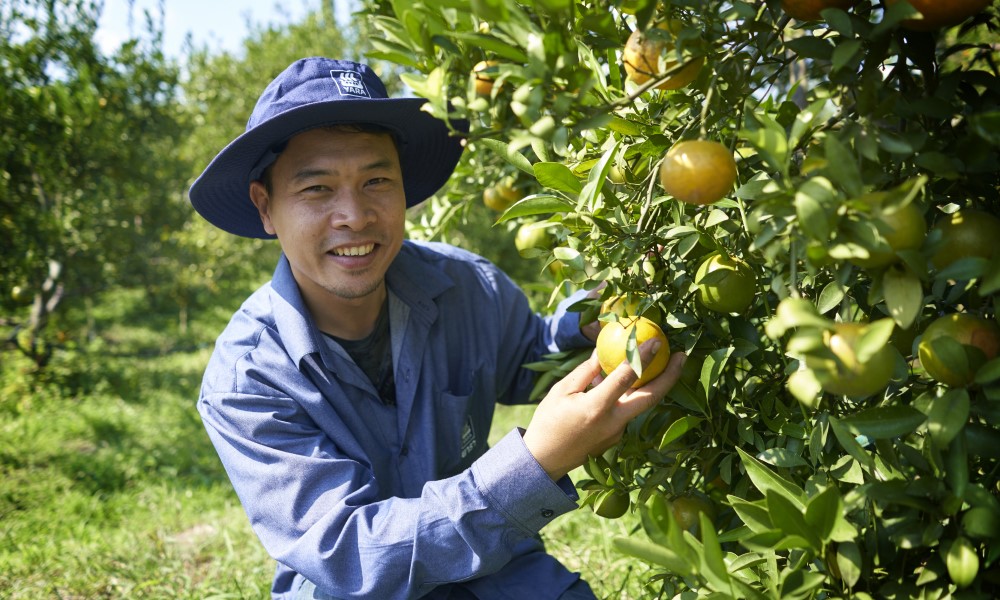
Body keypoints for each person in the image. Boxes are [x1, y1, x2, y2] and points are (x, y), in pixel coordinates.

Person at [188, 57, 685, 600]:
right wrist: (535, 463)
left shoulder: (465, 287)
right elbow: (347, 553)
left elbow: (528, 357)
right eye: (317, 189)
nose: (354, 215)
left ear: (404, 190)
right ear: (266, 207)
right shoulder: (249, 379)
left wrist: (592, 319)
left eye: (377, 180)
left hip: (496, 573)